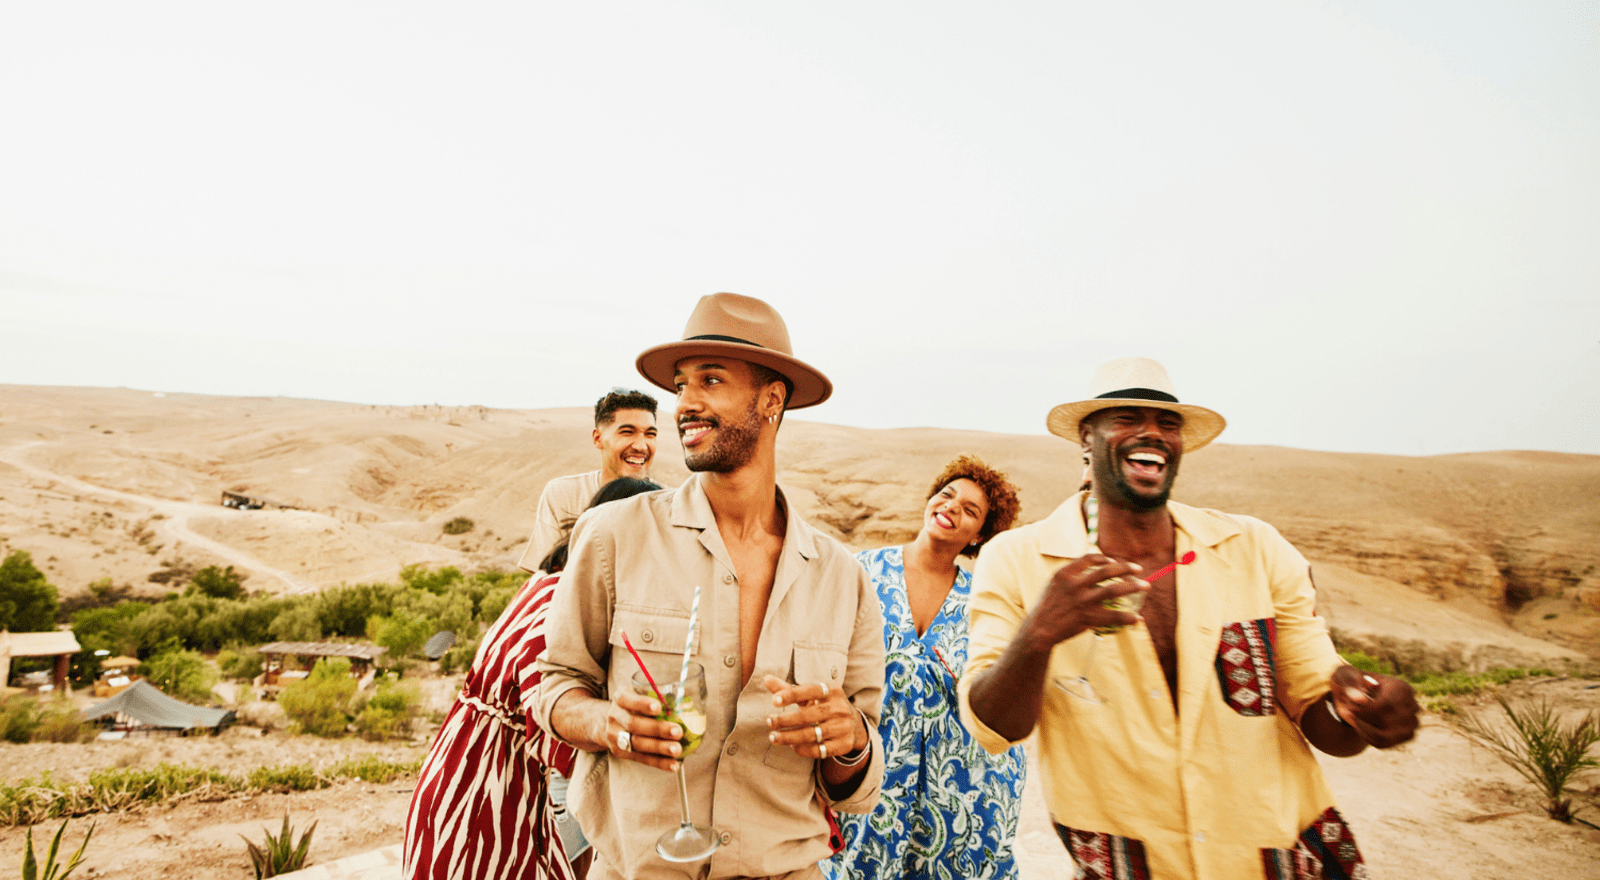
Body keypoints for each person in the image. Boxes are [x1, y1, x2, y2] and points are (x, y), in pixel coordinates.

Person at [960, 357, 1420, 880]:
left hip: (1282, 858)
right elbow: (991, 727)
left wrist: (1362, 712)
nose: (1152, 433)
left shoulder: (1254, 549)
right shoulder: (1018, 560)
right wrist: (1038, 636)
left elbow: (1322, 715)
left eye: (1168, 422)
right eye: (1128, 417)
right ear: (1087, 436)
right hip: (1132, 865)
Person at [533, 292, 887, 880]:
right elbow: (557, 688)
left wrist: (850, 741)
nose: (685, 405)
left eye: (711, 380)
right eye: (681, 385)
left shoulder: (842, 577)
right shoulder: (614, 535)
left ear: (772, 400)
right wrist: (606, 724)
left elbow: (854, 783)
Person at [403, 476, 664, 880]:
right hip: (481, 794)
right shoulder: (559, 602)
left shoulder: (548, 581)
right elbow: (548, 716)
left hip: (486, 775)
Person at [824, 454, 1026, 880]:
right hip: (870, 772)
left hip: (957, 785)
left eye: (970, 510)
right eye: (946, 495)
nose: (951, 507)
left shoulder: (982, 600)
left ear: (979, 534)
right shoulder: (861, 572)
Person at [516, 388, 660, 572]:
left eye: (650, 434)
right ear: (598, 438)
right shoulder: (564, 494)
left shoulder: (667, 502)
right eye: (627, 432)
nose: (641, 446)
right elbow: (545, 575)